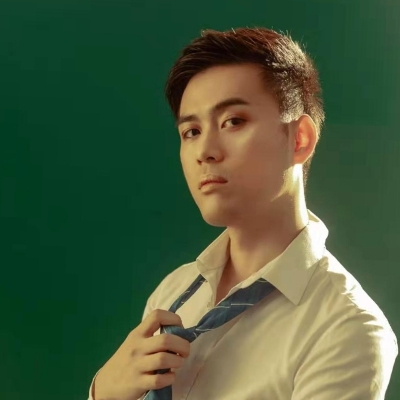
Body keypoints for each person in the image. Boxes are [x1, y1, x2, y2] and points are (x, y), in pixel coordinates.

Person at [87, 27, 398, 400]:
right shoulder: (172, 293)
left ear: (299, 139)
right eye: (191, 131)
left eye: (233, 121)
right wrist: (104, 391)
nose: (206, 151)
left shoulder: (346, 328)